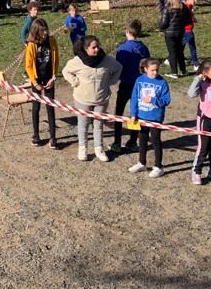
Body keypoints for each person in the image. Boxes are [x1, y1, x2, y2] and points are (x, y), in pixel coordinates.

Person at [63, 35, 122, 162]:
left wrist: (110, 81)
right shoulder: (77, 61)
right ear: (85, 49)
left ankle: (99, 149)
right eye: (93, 47)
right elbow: (65, 71)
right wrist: (74, 82)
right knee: (83, 124)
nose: (97, 50)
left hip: (101, 98)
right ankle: (82, 148)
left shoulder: (107, 60)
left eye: (98, 47)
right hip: (82, 99)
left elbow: (118, 68)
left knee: (98, 124)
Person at [127, 58, 171, 178]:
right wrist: (133, 113)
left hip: (155, 117)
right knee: (142, 140)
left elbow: (167, 100)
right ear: (145, 69)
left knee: (156, 141)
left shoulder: (162, 82)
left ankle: (158, 166)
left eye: (157, 70)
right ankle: (142, 162)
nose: (155, 72)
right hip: (142, 116)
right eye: (152, 70)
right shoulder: (140, 80)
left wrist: (153, 100)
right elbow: (134, 97)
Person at [112, 20, 149, 153]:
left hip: (126, 84)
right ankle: (132, 140)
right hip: (139, 85)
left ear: (127, 31)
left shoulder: (123, 49)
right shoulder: (144, 48)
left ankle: (117, 142)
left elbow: (118, 67)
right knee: (135, 113)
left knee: (118, 112)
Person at [24, 18, 59, 149]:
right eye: (42, 31)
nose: (45, 33)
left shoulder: (52, 41)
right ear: (36, 31)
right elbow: (28, 65)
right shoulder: (32, 44)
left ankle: (53, 137)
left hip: (49, 78)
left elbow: (56, 60)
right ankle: (36, 135)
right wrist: (34, 82)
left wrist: (54, 77)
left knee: (50, 107)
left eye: (46, 30)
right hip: (37, 79)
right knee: (36, 107)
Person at [158, 0, 189, 79]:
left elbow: (163, 24)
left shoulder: (167, 8)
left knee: (172, 52)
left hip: (170, 34)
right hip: (180, 32)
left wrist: (160, 26)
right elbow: (188, 19)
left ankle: (174, 72)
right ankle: (183, 70)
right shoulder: (183, 7)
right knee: (180, 52)